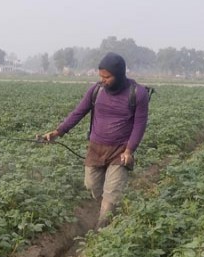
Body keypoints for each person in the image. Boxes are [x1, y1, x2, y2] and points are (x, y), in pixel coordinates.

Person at [41, 52, 150, 228]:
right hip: (96, 148)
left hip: (120, 151)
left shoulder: (138, 93)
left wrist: (129, 150)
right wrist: (58, 132)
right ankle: (110, 209)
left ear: (120, 75)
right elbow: (78, 112)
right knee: (91, 185)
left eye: (107, 77)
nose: (103, 80)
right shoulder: (96, 90)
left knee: (111, 194)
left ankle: (102, 233)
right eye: (100, 76)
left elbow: (139, 124)